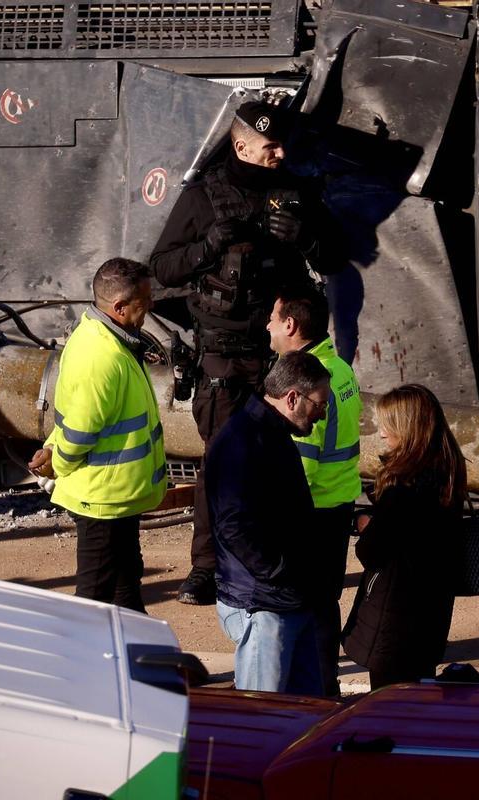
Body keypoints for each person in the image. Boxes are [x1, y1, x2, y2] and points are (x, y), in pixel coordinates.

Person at [149, 100, 346, 606]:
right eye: (269, 146)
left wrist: (308, 239)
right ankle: (205, 568)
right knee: (220, 463)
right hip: (223, 355)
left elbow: (337, 257)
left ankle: (273, 559)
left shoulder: (295, 193)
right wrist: (208, 247)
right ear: (241, 145)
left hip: (280, 358)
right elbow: (163, 269)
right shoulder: (203, 198)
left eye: (282, 144)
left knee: (283, 461)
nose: (280, 153)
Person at [29, 258, 166, 613]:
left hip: (116, 497)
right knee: (95, 598)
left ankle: (135, 660)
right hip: (102, 499)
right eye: (144, 302)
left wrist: (52, 449)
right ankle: (83, 666)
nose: (149, 308)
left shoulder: (101, 337)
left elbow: (77, 416)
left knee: (125, 590)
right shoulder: (103, 357)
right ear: (119, 308)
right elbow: (81, 428)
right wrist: (57, 462)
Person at [206, 351, 331, 694]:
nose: (322, 415)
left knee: (302, 714)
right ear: (292, 398)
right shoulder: (243, 441)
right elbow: (234, 526)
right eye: (319, 404)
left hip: (285, 597)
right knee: (262, 714)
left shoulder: (268, 433)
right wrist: (278, 571)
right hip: (264, 603)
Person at [266, 285, 363, 696]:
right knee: (325, 603)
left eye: (272, 319)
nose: (267, 326)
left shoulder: (306, 380)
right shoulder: (338, 368)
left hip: (312, 507)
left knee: (304, 607)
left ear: (290, 324)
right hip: (337, 503)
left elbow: (301, 461)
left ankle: (315, 692)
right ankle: (326, 687)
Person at [342, 384, 467, 689]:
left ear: (406, 428)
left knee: (390, 702)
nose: (382, 433)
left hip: (395, 616)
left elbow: (373, 551)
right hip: (431, 608)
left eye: (387, 425)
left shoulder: (403, 488)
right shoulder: (447, 471)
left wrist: (365, 525)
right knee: (419, 693)